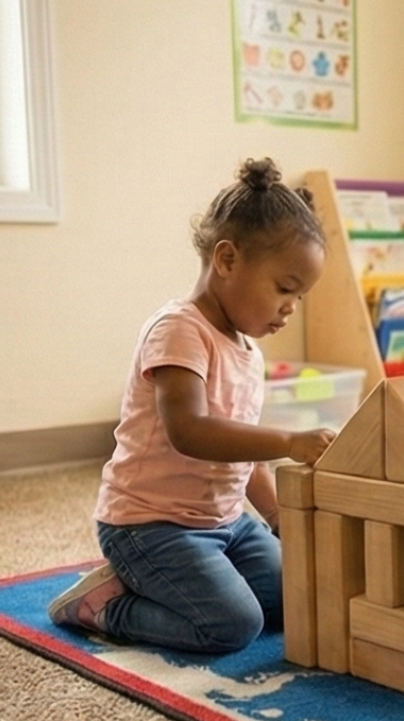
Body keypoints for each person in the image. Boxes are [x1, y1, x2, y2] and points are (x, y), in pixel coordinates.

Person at [48, 158, 334, 652]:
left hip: (224, 523)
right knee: (232, 625)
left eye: (300, 297)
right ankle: (107, 603)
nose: (291, 306)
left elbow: (243, 456)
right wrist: (289, 440)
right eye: (284, 289)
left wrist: (277, 517)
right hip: (150, 524)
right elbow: (190, 430)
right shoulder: (179, 329)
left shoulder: (248, 352)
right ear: (226, 261)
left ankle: (171, 582)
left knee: (296, 600)